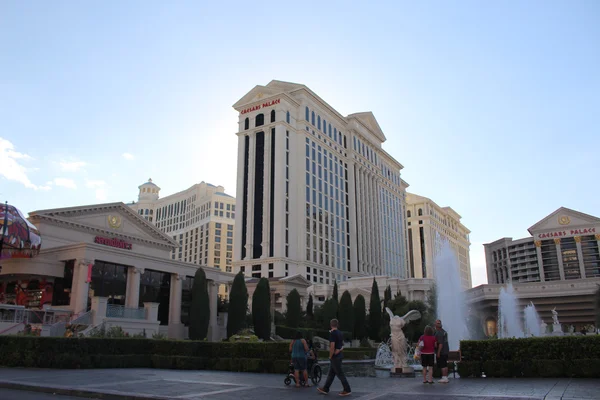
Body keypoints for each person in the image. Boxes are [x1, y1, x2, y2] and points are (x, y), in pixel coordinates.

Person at [317, 319, 351, 396]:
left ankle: (347, 389)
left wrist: (330, 356)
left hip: (335, 357)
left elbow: (332, 347)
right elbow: (342, 345)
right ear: (337, 325)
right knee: (331, 374)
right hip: (339, 355)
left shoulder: (332, 333)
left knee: (340, 374)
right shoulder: (340, 333)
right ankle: (325, 389)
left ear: (330, 325)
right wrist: (339, 350)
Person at [434, 319, 450, 383]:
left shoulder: (439, 333)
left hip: (442, 351)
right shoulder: (444, 331)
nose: (437, 324)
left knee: (442, 365)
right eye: (437, 323)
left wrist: (438, 352)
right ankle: (445, 377)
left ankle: (444, 377)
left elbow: (440, 344)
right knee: (445, 364)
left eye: (438, 323)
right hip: (446, 351)